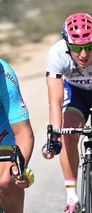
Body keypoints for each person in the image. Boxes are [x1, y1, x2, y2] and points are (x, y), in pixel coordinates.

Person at [42, 12, 92, 213]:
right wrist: (54, 135)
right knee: (67, 137)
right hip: (76, 94)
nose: (84, 54)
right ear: (67, 45)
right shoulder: (56, 54)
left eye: (88, 46)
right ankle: (72, 197)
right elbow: (55, 100)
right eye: (77, 48)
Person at [0, 58, 35, 213]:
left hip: (3, 124)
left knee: (6, 181)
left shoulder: (4, 75)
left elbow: (23, 132)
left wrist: (19, 168)